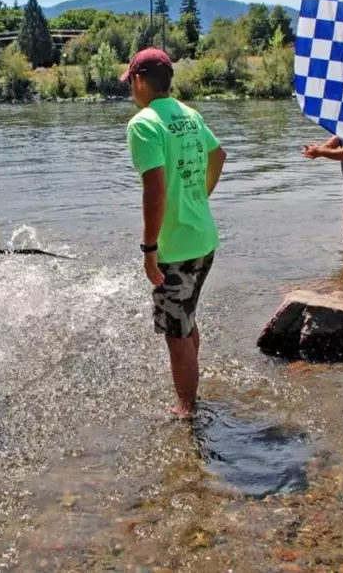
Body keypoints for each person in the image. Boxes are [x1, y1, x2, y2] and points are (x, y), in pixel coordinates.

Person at [123, 48, 227, 419]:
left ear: (138, 80)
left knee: (176, 332)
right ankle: (192, 389)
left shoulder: (144, 123)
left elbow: (154, 190)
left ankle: (186, 409)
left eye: (130, 84)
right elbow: (219, 156)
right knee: (187, 318)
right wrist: (199, 197)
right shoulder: (190, 115)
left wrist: (149, 248)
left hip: (176, 247)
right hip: (204, 238)